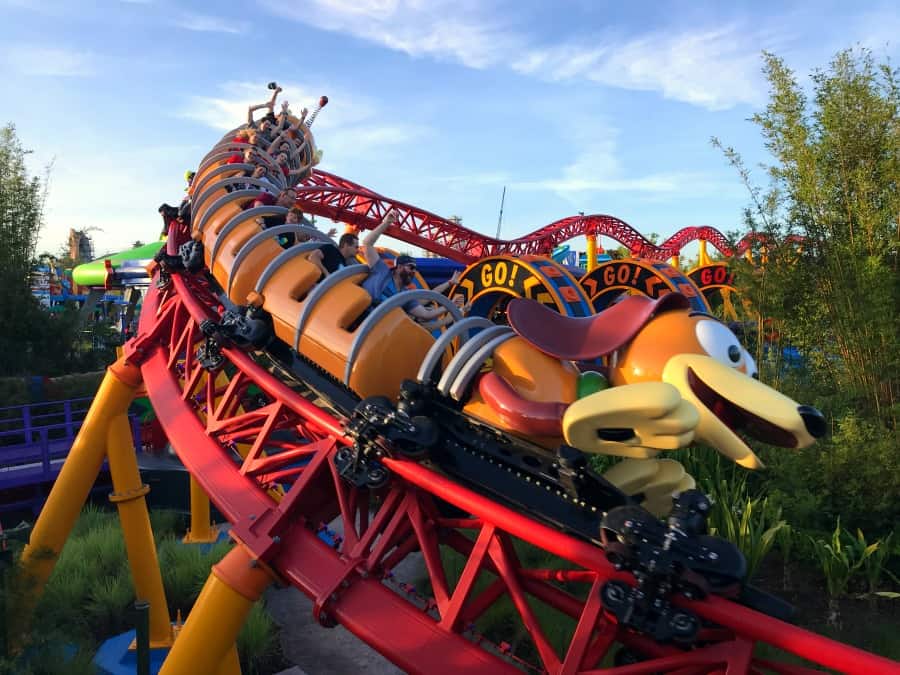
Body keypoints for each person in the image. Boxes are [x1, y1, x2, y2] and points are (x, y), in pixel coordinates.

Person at [359, 210, 452, 323]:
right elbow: (367, 244)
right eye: (411, 267)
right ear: (399, 267)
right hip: (359, 315)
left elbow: (426, 314)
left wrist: (450, 306)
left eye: (415, 269)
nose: (413, 272)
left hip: (377, 328)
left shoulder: (406, 295)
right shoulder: (381, 270)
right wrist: (386, 223)